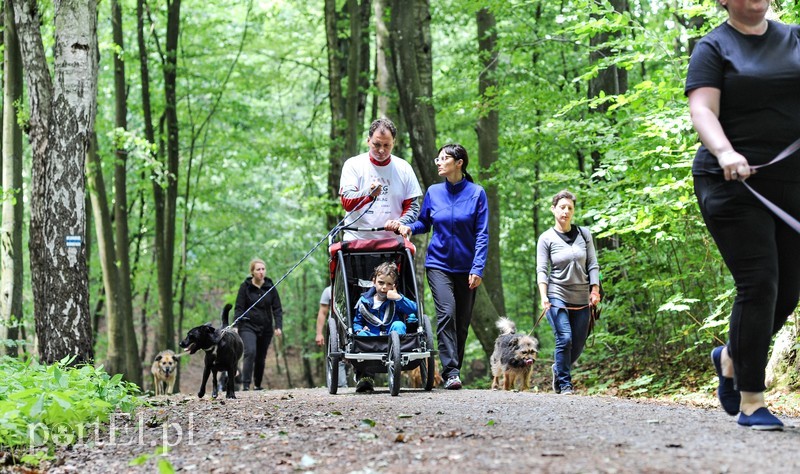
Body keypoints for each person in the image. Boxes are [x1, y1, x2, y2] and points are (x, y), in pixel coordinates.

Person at [686, 0, 800, 430]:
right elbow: (703, 110)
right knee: (760, 282)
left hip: (792, 183)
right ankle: (752, 400)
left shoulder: (795, 38)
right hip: (733, 182)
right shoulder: (714, 47)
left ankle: (731, 355)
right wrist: (724, 150)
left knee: (788, 291)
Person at [397, 144, 488, 390]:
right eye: (437, 158)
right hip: (438, 264)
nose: (438, 162)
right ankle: (451, 372)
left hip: (467, 268)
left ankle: (453, 368)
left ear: (459, 163)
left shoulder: (477, 193)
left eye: (444, 159)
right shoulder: (434, 192)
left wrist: (477, 268)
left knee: (462, 321)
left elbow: (482, 233)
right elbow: (424, 222)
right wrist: (409, 227)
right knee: (446, 313)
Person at [535, 190, 601, 396]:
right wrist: (544, 296)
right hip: (557, 294)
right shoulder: (546, 238)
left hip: (582, 296)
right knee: (564, 338)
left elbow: (592, 264)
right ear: (553, 209)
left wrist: (595, 289)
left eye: (569, 208)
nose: (566, 211)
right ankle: (565, 383)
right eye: (562, 207)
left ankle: (558, 368)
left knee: (578, 344)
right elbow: (541, 270)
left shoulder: (584, 234)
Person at [339, 118, 422, 241]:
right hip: (356, 240)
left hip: (393, 243)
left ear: (393, 142)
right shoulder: (353, 164)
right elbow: (347, 201)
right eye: (376, 145)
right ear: (368, 141)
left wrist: (399, 222)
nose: (381, 150)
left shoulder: (404, 168)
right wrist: (369, 194)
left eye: (386, 145)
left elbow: (413, 206)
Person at [351, 262, 418, 392]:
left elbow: (414, 309)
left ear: (394, 286)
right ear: (374, 282)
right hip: (372, 339)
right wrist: (359, 329)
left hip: (394, 340)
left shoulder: (396, 300)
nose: (384, 287)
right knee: (360, 336)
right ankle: (365, 377)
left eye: (389, 284)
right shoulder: (364, 301)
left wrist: (398, 298)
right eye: (381, 283)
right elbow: (357, 322)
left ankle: (397, 359)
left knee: (399, 324)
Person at [234, 258, 283, 391]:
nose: (261, 272)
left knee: (261, 357)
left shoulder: (270, 287)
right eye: (258, 270)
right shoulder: (245, 287)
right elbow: (239, 307)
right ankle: (245, 384)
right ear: (252, 272)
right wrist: (236, 325)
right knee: (250, 351)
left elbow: (277, 308)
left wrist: (278, 326)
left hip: (266, 327)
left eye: (263, 269)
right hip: (248, 326)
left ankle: (257, 385)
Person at [315, 285, 347, 388]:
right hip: (335, 329)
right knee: (338, 357)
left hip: (352, 327)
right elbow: (323, 312)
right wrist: (319, 334)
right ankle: (341, 385)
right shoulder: (328, 291)